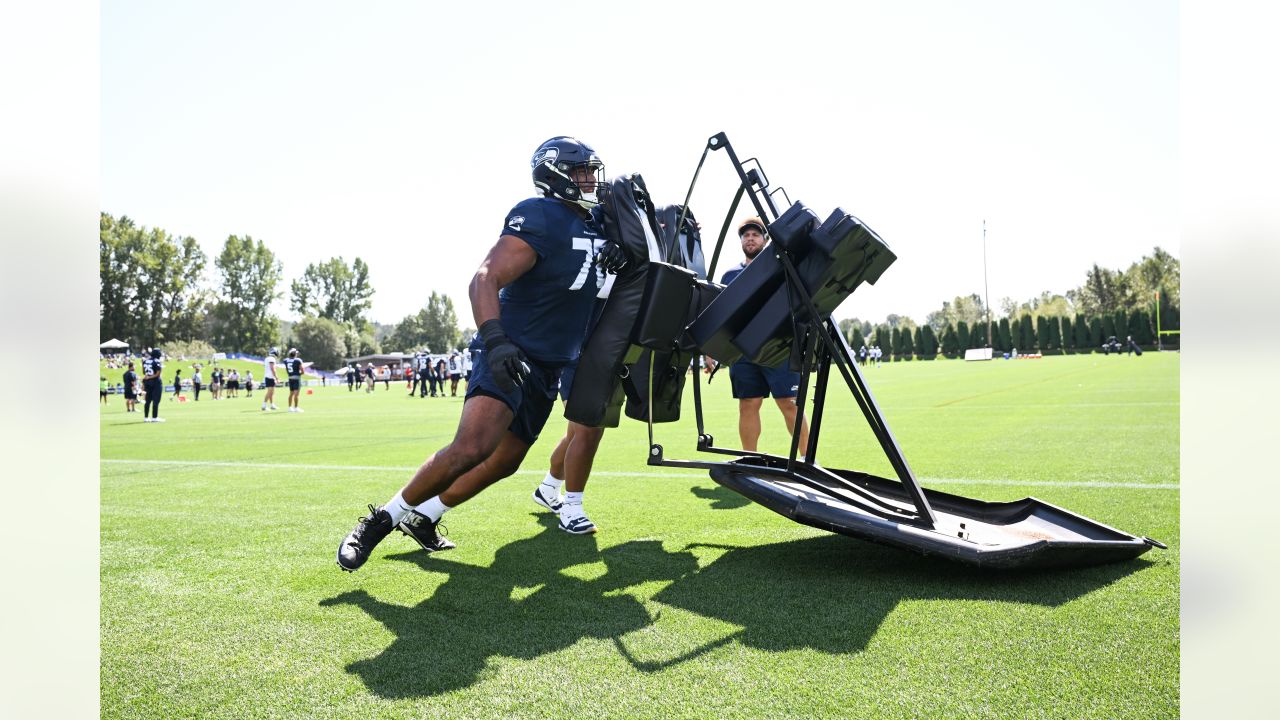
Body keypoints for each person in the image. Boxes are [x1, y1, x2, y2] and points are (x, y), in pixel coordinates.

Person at [337, 135, 610, 571]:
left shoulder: (600, 226)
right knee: (472, 447)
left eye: (591, 171)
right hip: (510, 348)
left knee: (505, 461)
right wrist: (496, 340)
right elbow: (484, 278)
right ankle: (380, 522)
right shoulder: (538, 215)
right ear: (555, 173)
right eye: (581, 171)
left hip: (550, 363)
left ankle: (425, 516)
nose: (590, 180)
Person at [706, 217, 811, 457]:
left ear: (765, 239)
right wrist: (711, 349)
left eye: (755, 234)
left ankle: (806, 459)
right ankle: (750, 459)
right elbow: (720, 315)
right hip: (741, 350)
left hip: (778, 347)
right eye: (746, 235)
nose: (750, 238)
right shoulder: (729, 275)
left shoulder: (781, 267)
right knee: (748, 404)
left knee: (789, 403)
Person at [142, 348, 165, 422]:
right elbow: (158, 374)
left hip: (147, 383)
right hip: (155, 383)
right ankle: (154, 417)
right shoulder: (157, 361)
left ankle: (146, 417)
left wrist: (147, 377)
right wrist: (150, 376)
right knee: (156, 400)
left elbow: (143, 372)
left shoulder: (145, 361)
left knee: (147, 401)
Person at [285, 348, 305, 413]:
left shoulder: (286, 360)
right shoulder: (298, 360)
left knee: (291, 394)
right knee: (296, 394)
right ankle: (296, 408)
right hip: (296, 378)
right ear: (295, 354)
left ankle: (290, 408)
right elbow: (302, 371)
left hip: (290, 378)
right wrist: (299, 373)